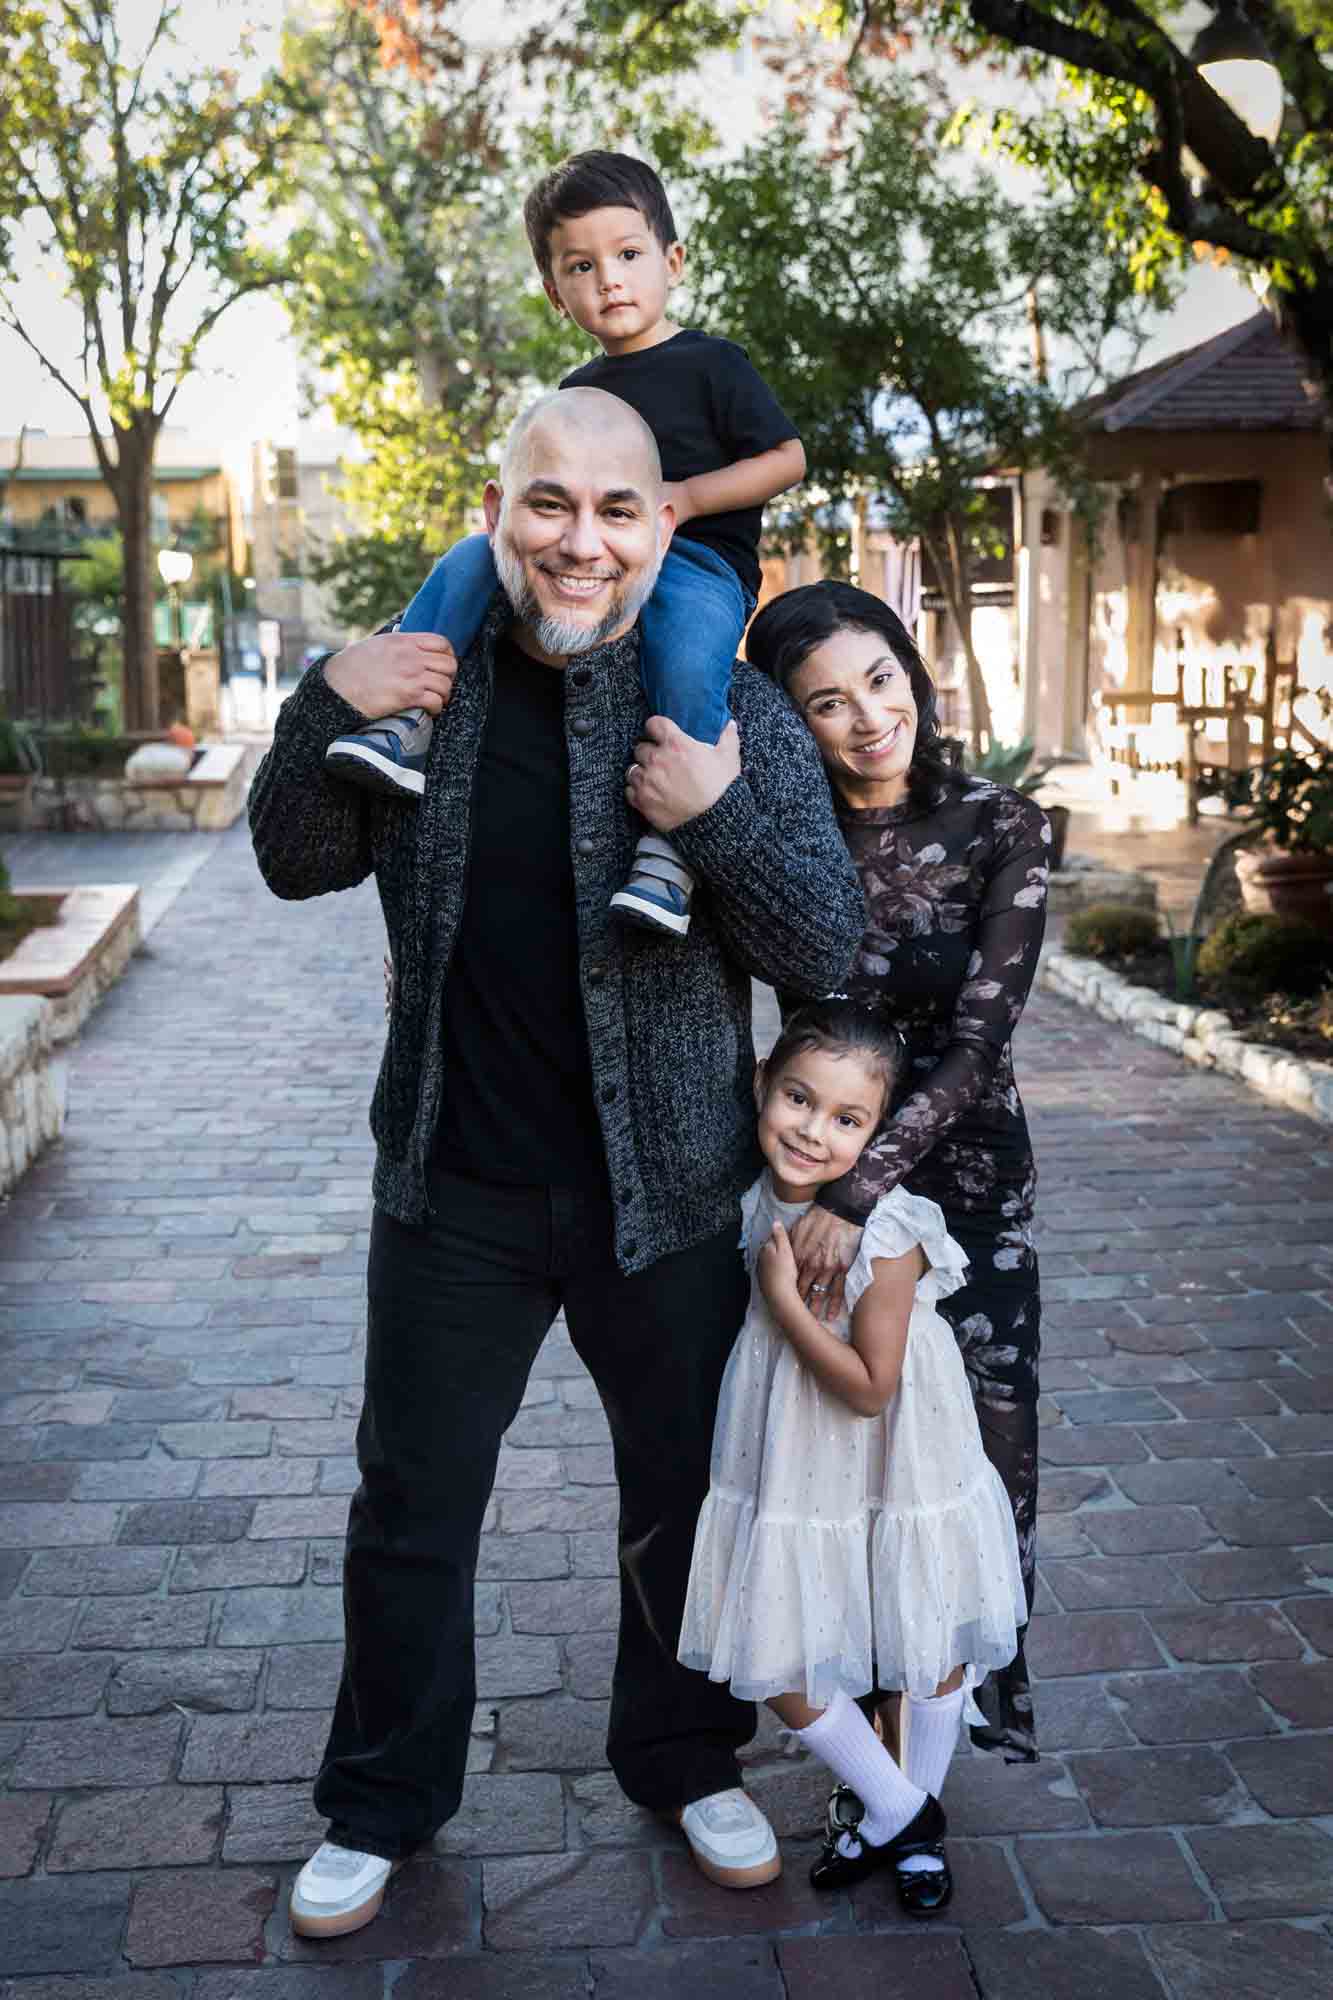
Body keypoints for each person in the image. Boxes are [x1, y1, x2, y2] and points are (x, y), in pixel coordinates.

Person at [248, 388, 865, 1939]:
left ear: (661, 524)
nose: (578, 542)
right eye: (547, 505)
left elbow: (824, 949)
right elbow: (291, 856)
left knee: (680, 1492)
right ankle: (380, 1802)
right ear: (496, 507)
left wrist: (715, 817)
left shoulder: (724, 713)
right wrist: (328, 696)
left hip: (662, 1191)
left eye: (614, 510)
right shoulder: (422, 686)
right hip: (451, 1179)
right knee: (413, 1504)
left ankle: (681, 1757)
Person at [323, 149, 805, 942]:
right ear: (555, 292)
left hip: (696, 562)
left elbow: (787, 459)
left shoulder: (714, 363)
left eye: (627, 255)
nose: (608, 280)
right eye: (581, 267)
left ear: (671, 261)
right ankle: (406, 717)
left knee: (687, 657)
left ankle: (670, 851)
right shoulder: (579, 392)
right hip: (598, 556)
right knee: (470, 558)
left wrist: (684, 500)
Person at [744, 581, 1049, 1766]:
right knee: (840, 1468)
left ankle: (942, 1738)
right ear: (791, 722)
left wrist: (856, 1199)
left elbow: (981, 1038)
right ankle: (871, 1768)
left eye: (879, 679)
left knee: (975, 1446)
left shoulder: (1000, 823)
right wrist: (816, 1187)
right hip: (811, 1163)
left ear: (911, 672)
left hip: (964, 1179)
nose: (868, 716)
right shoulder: (779, 835)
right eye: (825, 702)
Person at [678, 1001, 1025, 1907]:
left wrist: (787, 1302)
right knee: (779, 1644)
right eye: (798, 1099)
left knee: (925, 1624)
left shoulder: (890, 1232)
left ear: (876, 1135)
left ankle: (909, 1834)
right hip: (789, 1447)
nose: (811, 1130)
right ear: (762, 1085)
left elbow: (872, 1387)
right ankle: (898, 1806)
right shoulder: (750, 1197)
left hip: (896, 1445)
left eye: (846, 1119)